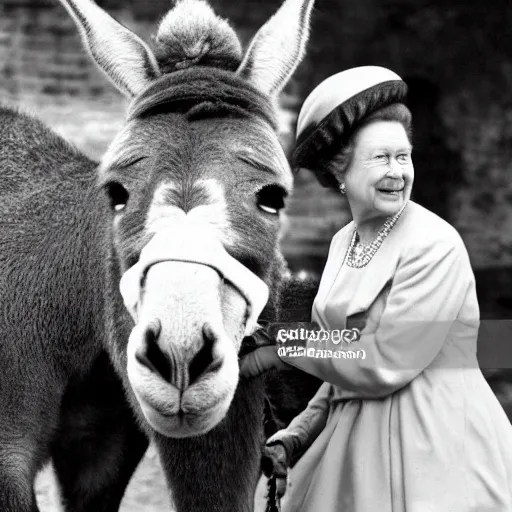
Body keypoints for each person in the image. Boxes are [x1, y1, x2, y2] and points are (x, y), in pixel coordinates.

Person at [240, 66, 512, 511]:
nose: (397, 172)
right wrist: (295, 437)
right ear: (338, 170)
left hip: (435, 450)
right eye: (380, 158)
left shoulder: (434, 243)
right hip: (350, 455)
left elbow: (384, 361)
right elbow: (339, 373)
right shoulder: (342, 244)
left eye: (403, 157)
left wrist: (283, 342)